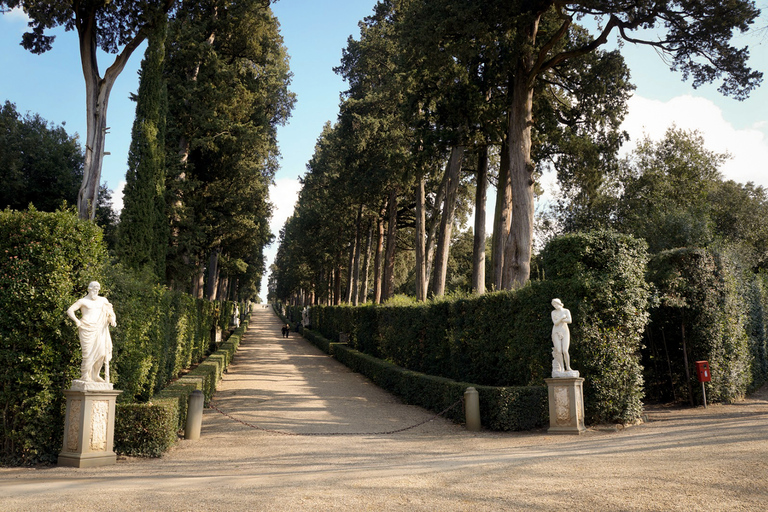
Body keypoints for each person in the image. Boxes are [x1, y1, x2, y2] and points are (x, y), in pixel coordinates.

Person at [67, 281, 117, 383]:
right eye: (94, 288)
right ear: (89, 289)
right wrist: (76, 320)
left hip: (100, 329)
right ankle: (85, 376)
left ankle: (95, 375)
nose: (96, 290)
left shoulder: (103, 300)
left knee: (102, 353)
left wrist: (112, 319)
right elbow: (70, 310)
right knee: (88, 354)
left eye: (98, 289)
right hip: (86, 328)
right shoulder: (83, 301)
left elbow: (110, 312)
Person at [551, 298, 573, 373]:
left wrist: (559, 320)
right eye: (553, 305)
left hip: (564, 331)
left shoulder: (566, 311)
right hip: (556, 331)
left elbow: (569, 321)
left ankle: (568, 366)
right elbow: (555, 323)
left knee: (565, 350)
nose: (555, 306)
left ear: (559, 303)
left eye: (556, 304)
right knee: (559, 351)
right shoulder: (553, 312)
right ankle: (562, 367)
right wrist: (562, 317)